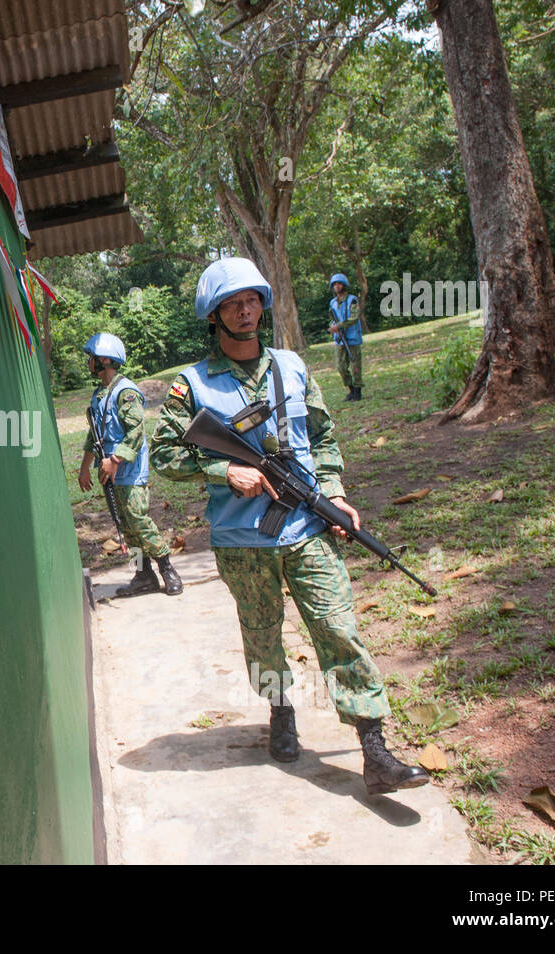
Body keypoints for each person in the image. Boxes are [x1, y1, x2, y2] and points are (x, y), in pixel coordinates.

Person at [149, 258, 427, 796]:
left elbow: (321, 437)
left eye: (252, 298)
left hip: (306, 526)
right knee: (262, 637)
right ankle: (280, 709)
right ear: (215, 315)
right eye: (232, 303)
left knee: (338, 628)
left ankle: (375, 750)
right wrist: (223, 468)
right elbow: (162, 454)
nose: (246, 309)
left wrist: (337, 494)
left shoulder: (293, 367)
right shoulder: (193, 385)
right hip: (241, 541)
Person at [79, 333, 182, 598]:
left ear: (104, 360)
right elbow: (95, 434)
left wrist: (114, 460)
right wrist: (85, 466)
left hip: (129, 471)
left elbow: (135, 432)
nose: (89, 363)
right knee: (124, 526)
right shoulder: (100, 394)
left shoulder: (125, 393)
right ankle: (142, 574)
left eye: (92, 359)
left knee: (138, 520)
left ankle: (167, 568)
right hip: (108, 473)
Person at [328, 273, 364, 401]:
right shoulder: (332, 303)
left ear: (344, 285)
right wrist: (333, 328)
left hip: (352, 337)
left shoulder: (352, 300)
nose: (337, 286)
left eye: (339, 284)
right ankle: (351, 390)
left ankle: (357, 392)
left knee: (355, 366)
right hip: (339, 339)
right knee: (341, 367)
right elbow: (331, 319)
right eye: (335, 285)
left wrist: (339, 326)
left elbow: (354, 317)